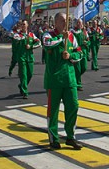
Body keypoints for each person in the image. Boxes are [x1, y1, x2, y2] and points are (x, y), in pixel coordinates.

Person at [42, 13, 83, 150]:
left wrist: (70, 55)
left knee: (73, 106)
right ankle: (53, 137)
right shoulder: (48, 35)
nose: (66, 23)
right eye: (62, 20)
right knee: (53, 111)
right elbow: (47, 45)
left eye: (67, 20)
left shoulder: (72, 36)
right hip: (54, 80)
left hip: (70, 79)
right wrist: (61, 38)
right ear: (56, 22)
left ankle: (71, 136)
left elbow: (80, 53)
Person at [15, 20, 42, 99]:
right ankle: (25, 91)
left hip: (30, 57)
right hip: (21, 57)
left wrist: (31, 46)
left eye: (24, 24)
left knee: (29, 74)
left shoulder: (31, 35)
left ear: (27, 25)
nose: (23, 26)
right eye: (22, 24)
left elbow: (39, 43)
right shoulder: (18, 35)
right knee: (23, 75)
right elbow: (15, 40)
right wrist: (23, 38)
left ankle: (21, 85)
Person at [72, 19, 88, 91]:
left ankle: (75, 77)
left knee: (84, 67)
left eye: (81, 23)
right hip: (76, 52)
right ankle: (78, 84)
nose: (80, 24)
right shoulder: (72, 32)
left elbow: (88, 41)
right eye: (78, 23)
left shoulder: (84, 32)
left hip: (84, 52)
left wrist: (87, 43)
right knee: (77, 69)